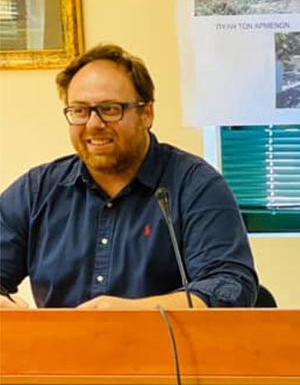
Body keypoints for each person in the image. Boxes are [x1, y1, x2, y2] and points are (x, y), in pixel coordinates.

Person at [0, 44, 257, 309]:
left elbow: (230, 288)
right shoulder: (37, 191)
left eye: (110, 109)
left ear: (146, 114)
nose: (93, 124)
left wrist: (134, 313)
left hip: (163, 337)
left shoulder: (196, 186)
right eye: (79, 110)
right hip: (61, 338)